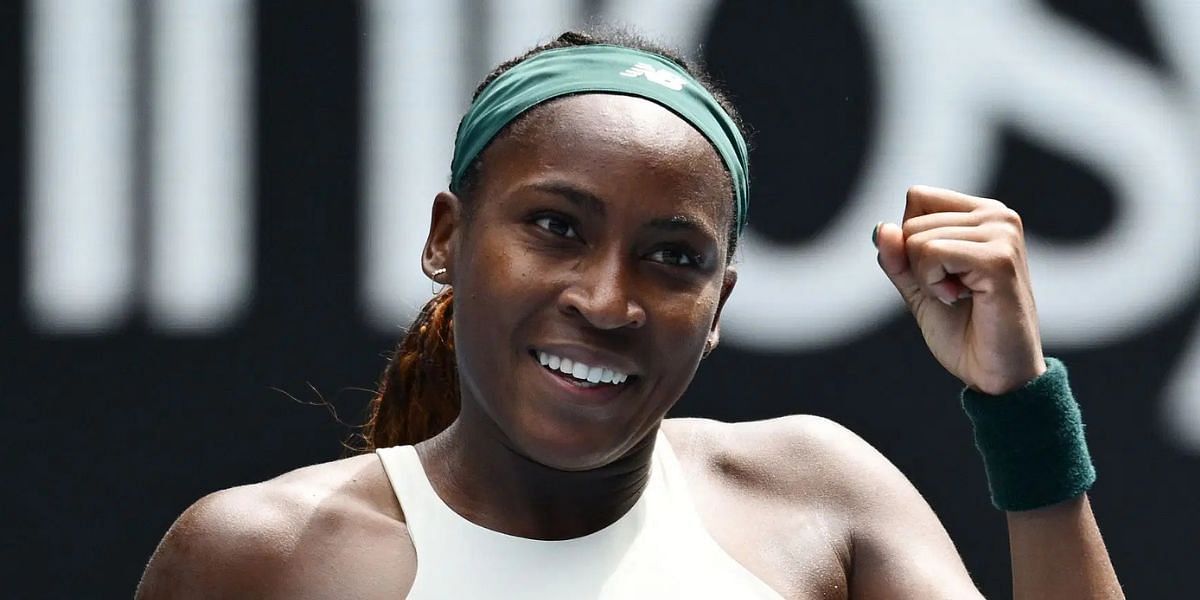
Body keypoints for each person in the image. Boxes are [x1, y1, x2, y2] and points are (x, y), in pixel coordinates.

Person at [137, 30, 1123, 598]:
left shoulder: (818, 499)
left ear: (719, 303)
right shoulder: (257, 557)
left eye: (672, 257)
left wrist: (1018, 402)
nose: (608, 300)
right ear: (447, 238)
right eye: (556, 226)